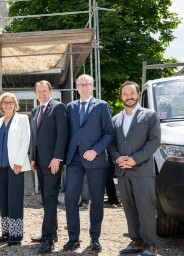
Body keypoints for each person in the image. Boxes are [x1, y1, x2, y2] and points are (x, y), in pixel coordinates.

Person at [109, 81, 160, 256]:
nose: (128, 97)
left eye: (132, 93)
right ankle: (136, 241)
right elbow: (112, 144)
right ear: (121, 96)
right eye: (125, 94)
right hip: (123, 171)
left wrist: (134, 160)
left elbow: (154, 141)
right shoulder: (115, 119)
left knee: (145, 208)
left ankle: (150, 245)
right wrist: (117, 157)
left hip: (142, 171)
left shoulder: (150, 116)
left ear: (137, 94)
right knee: (129, 208)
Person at [64, 74, 114, 253]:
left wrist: (96, 150)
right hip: (74, 159)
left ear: (92, 86)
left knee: (97, 199)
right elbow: (67, 133)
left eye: (87, 84)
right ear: (76, 87)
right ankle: (73, 238)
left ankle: (95, 238)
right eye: (80, 84)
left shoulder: (101, 106)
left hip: (95, 158)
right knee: (70, 198)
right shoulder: (70, 107)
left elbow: (109, 132)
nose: (84, 87)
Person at [30, 80, 68, 254]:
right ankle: (52, 232)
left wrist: (57, 158)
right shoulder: (35, 110)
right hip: (39, 162)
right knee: (46, 198)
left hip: (53, 162)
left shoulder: (58, 107)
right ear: (36, 93)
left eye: (45, 91)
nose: (42, 94)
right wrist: (32, 158)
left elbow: (62, 135)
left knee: (50, 198)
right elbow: (34, 138)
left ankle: (47, 239)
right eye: (39, 91)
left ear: (50, 91)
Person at [0, 92, 31, 246]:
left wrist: (19, 162)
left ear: (15, 105)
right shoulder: (0, 120)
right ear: (1, 105)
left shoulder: (22, 119)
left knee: (14, 200)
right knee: (3, 200)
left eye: (10, 102)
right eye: (5, 102)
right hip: (2, 165)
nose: (8, 105)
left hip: (15, 165)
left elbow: (25, 141)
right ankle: (6, 232)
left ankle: (16, 235)